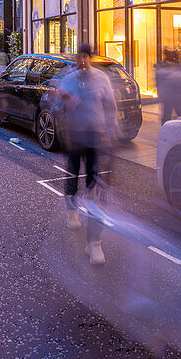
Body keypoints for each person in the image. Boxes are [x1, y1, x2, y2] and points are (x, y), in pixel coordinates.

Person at [55, 44, 117, 265]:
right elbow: (55, 105)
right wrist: (64, 101)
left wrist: (111, 131)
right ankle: (72, 211)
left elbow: (110, 106)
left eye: (86, 57)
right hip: (73, 136)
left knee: (93, 187)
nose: (83, 61)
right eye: (79, 57)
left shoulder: (101, 79)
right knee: (72, 173)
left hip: (93, 137)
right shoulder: (69, 79)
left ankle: (93, 243)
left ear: (91, 58)